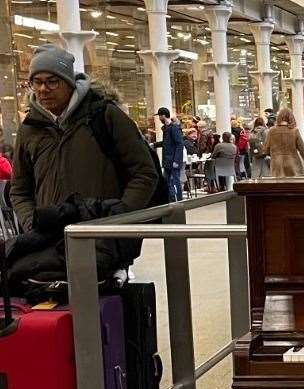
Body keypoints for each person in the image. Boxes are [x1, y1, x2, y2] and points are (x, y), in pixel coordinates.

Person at [8, 44, 160, 289]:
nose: (42, 89)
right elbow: (19, 188)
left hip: (101, 236)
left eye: (51, 81)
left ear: (68, 81)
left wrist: (119, 217)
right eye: (35, 82)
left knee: (98, 310)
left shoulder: (104, 116)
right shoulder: (30, 129)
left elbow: (144, 172)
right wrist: (32, 223)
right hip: (49, 241)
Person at [262, 108, 304, 177]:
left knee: (279, 187)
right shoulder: (294, 131)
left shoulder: (272, 131)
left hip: (277, 166)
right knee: (293, 187)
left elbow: (266, 150)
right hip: (293, 166)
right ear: (291, 117)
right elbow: (303, 151)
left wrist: (274, 154)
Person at [157, 107, 184, 202]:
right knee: (168, 182)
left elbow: (179, 144)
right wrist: (154, 145)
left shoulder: (174, 128)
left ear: (163, 115)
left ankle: (180, 201)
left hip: (172, 161)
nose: (159, 118)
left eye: (159, 116)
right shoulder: (166, 128)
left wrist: (176, 160)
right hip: (167, 161)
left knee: (175, 181)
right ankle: (171, 200)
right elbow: (166, 143)